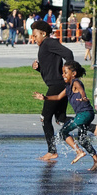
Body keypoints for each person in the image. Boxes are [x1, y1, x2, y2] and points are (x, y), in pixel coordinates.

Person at [34, 60, 97, 170]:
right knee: (82, 140)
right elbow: (57, 97)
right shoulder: (67, 88)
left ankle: (79, 151)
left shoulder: (76, 82)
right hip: (86, 114)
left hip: (84, 114)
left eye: (65, 72)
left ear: (73, 73)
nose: (63, 75)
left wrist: (84, 97)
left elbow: (81, 90)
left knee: (63, 132)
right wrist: (45, 97)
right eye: (62, 73)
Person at [30, 20, 74, 161]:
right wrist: (39, 68)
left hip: (57, 86)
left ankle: (52, 151)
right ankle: (91, 127)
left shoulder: (49, 42)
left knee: (45, 118)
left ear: (43, 34)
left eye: (35, 35)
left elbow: (69, 54)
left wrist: (69, 75)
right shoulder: (45, 45)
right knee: (61, 119)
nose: (33, 38)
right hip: (57, 84)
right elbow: (50, 70)